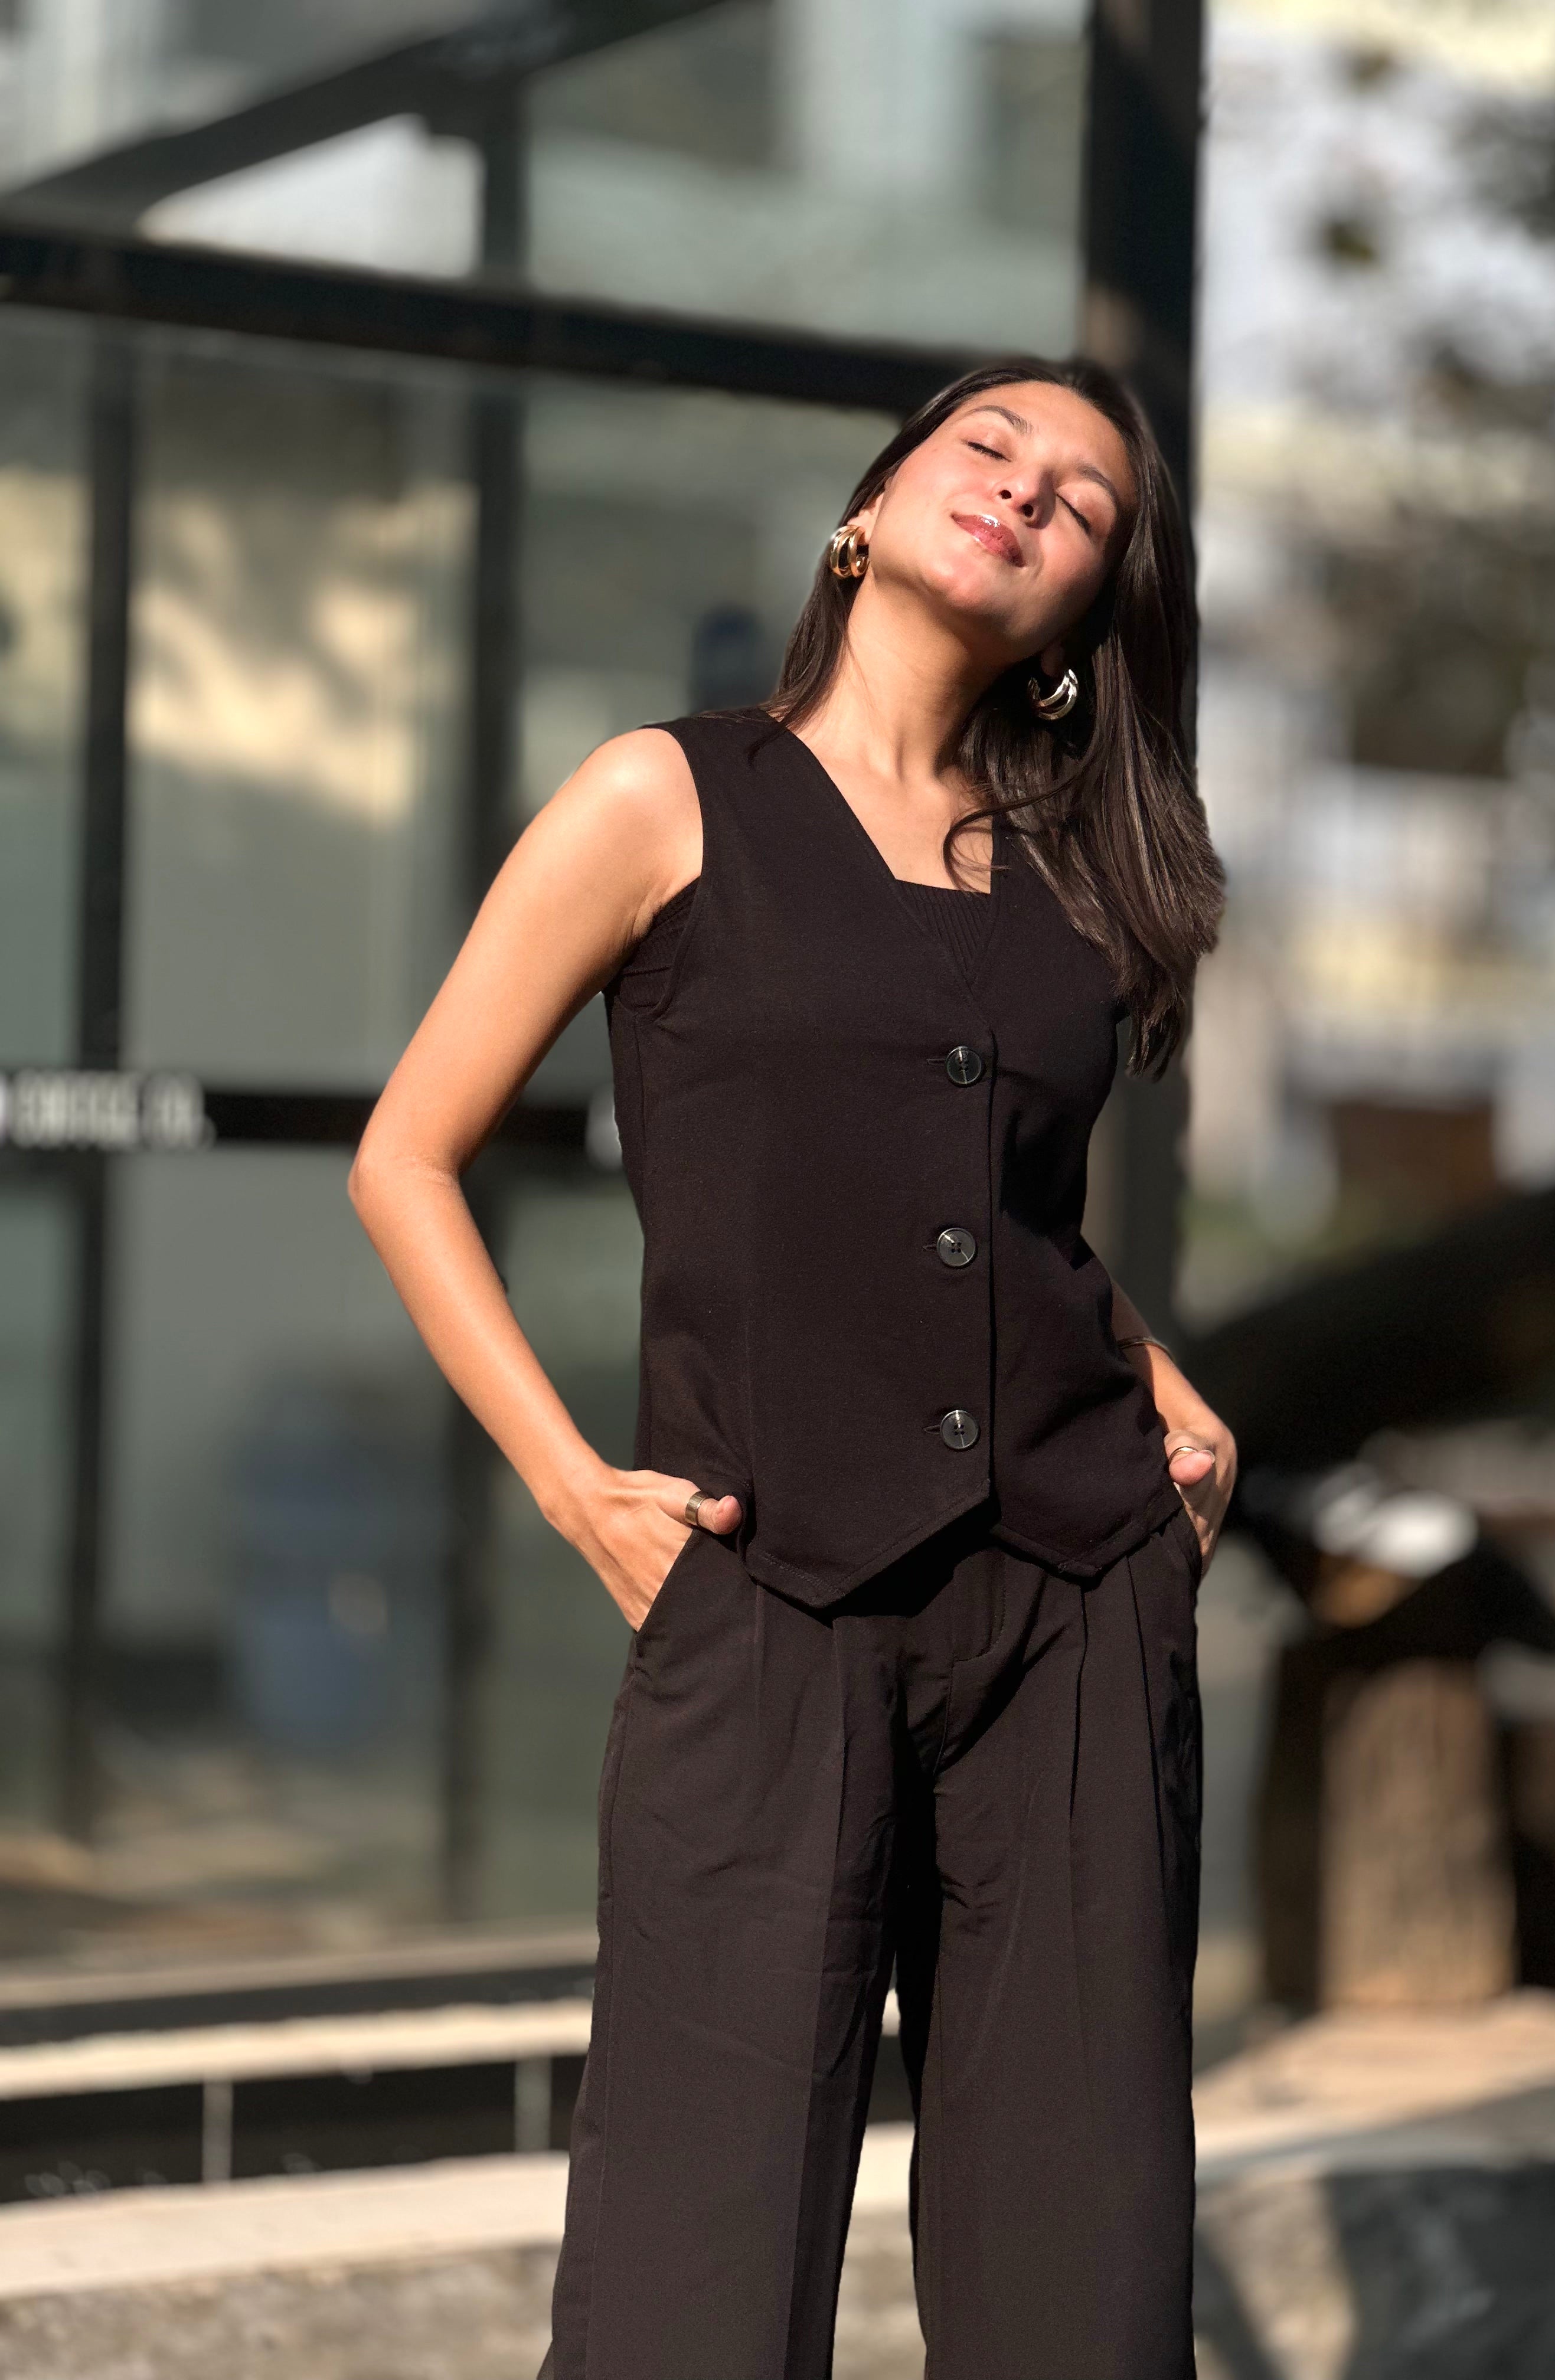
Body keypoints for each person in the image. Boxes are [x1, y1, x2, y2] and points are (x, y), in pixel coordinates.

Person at [349, 355, 1236, 2380]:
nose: (1023, 495)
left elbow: (1008, 1212)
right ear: (876, 502)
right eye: (986, 449)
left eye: (1082, 503)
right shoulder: (664, 797)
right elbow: (404, 1156)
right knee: (696, 2284)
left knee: (1083, 2296)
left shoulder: (1074, 877)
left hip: (1082, 1617)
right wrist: (577, 1483)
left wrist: (1156, 1370)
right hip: (766, 1604)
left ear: (1092, 619)